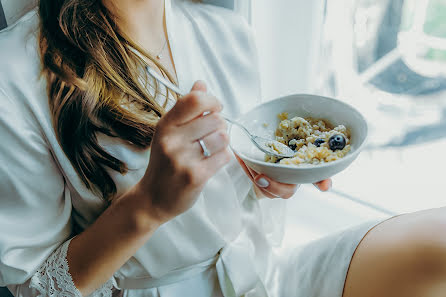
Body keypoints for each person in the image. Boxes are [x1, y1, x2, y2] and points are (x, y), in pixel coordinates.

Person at [1, 0, 445, 296]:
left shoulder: (227, 33)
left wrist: (273, 180)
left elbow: (243, 190)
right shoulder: (14, 77)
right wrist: (149, 206)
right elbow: (36, 288)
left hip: (263, 277)